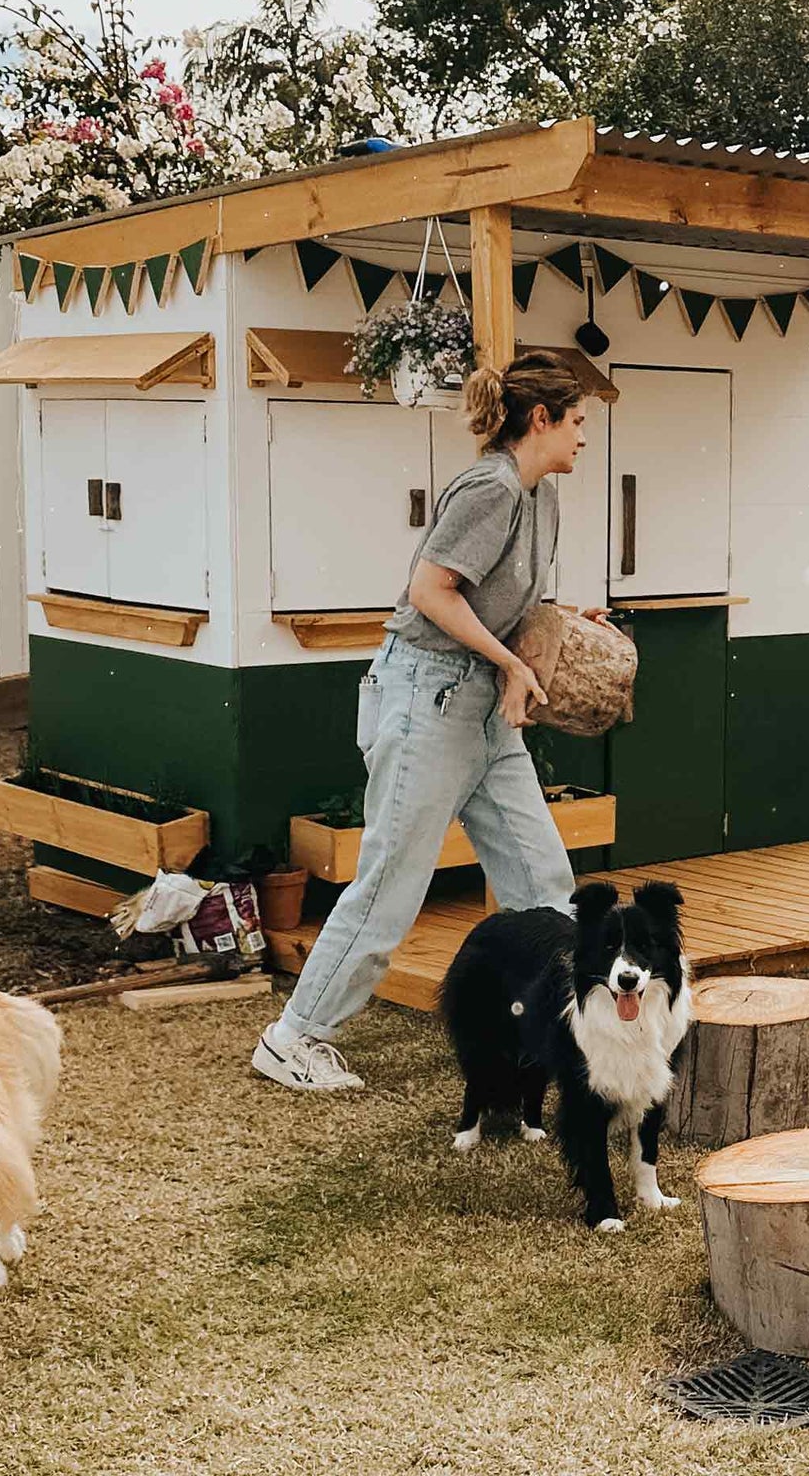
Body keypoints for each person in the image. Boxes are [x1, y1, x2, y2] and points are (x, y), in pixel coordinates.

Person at [252, 350, 602, 1092]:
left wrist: (564, 629)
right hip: (429, 697)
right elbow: (431, 593)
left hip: (484, 708)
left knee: (544, 879)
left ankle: (557, 1034)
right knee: (393, 883)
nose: (582, 437)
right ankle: (294, 1037)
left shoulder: (542, 496)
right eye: (576, 422)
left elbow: (521, 602)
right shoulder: (491, 488)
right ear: (539, 419)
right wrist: (510, 666)